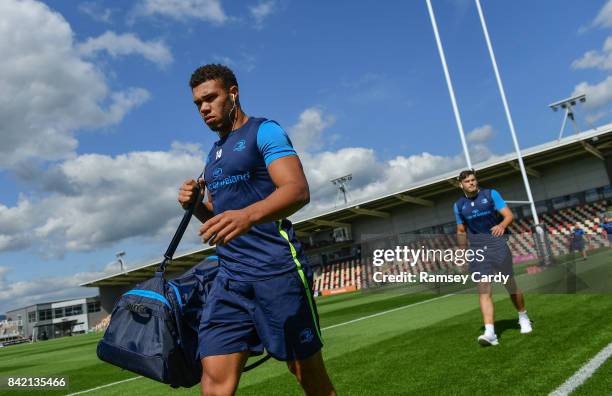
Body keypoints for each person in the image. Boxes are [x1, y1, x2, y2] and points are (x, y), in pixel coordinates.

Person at [177, 64, 335, 396]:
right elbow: (223, 223)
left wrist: (247, 216)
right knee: (215, 381)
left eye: (211, 98)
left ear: (232, 93)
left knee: (310, 379)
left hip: (276, 273)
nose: (204, 108)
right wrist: (196, 207)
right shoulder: (213, 155)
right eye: (198, 104)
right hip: (230, 280)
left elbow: (297, 190)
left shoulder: (265, 131)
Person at [453, 169, 532, 346]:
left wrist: (502, 225)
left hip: (497, 246)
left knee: (509, 284)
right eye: (467, 181)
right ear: (461, 184)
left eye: (473, 180)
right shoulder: (458, 205)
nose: (471, 183)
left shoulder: (490, 194)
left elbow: (508, 215)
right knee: (484, 289)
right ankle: (490, 332)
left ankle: (523, 316)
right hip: (477, 251)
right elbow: (460, 231)